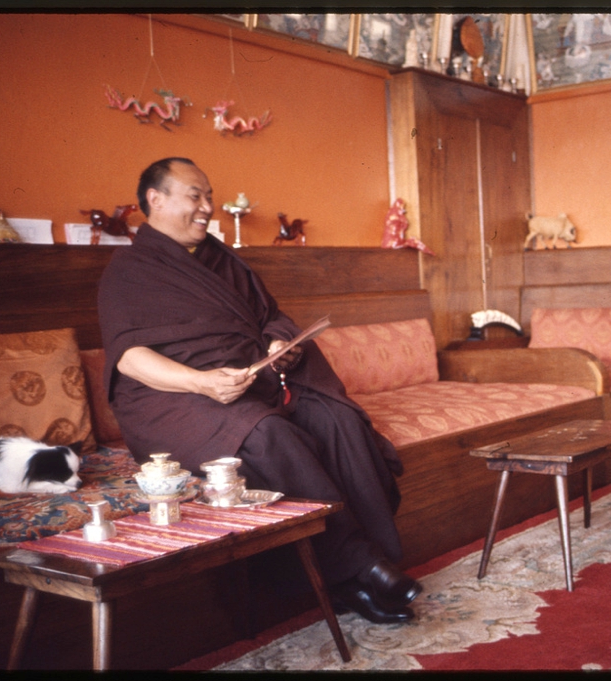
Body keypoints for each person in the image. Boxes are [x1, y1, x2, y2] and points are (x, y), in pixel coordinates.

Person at [98, 158, 421, 623]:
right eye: (195, 196)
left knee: (337, 418)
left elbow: (270, 314)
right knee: (268, 434)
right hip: (172, 401)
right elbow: (128, 359)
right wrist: (201, 382)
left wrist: (277, 340)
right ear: (156, 198)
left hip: (250, 386)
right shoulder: (129, 270)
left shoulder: (219, 258)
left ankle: (373, 565)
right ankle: (359, 569)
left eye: (209, 196)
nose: (207, 207)